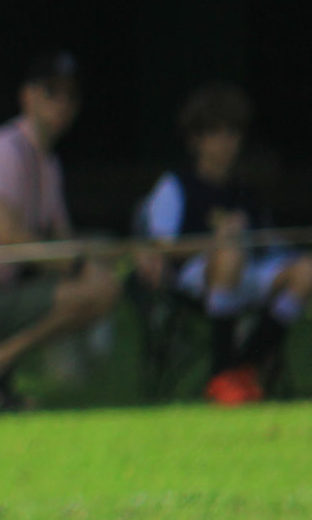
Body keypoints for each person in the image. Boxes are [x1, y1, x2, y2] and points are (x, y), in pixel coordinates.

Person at [0, 52, 120, 411]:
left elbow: (63, 238)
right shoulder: (4, 150)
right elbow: (10, 237)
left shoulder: (47, 162)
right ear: (27, 96)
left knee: (103, 286)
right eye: (51, 92)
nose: (62, 103)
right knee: (95, 288)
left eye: (71, 95)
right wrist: (80, 266)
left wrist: (108, 259)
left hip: (1, 294)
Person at [133, 81, 310, 405]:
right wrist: (215, 242)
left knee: (306, 270)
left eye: (233, 133)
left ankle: (245, 364)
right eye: (216, 133)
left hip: (247, 271)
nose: (226, 142)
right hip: (194, 279)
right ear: (195, 140)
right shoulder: (176, 186)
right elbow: (163, 246)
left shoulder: (244, 192)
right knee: (228, 254)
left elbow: (269, 245)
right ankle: (221, 371)